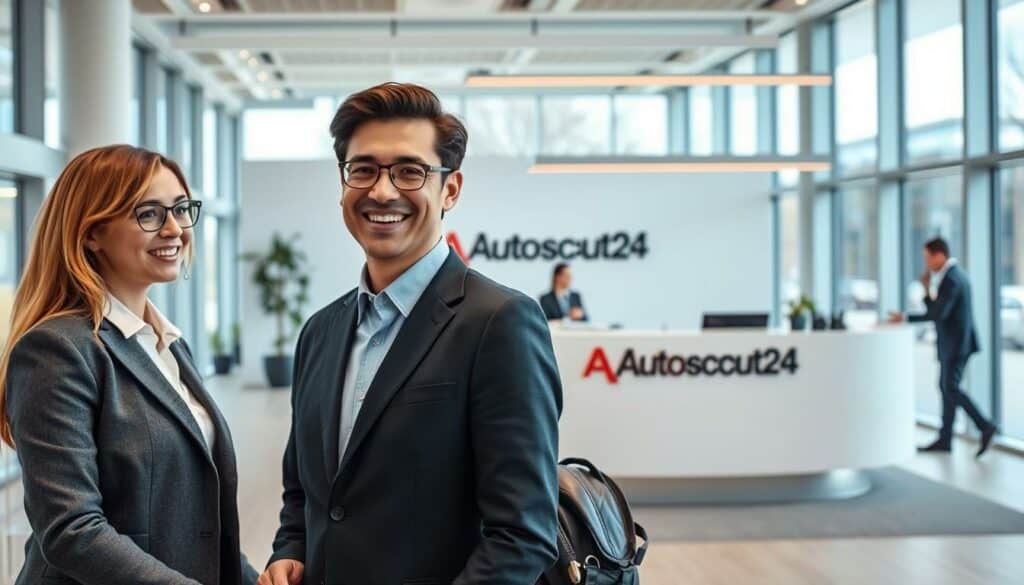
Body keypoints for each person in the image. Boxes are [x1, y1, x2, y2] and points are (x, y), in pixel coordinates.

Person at [260, 83, 562, 585]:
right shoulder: (320, 332)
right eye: (363, 169)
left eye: (409, 171)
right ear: (343, 183)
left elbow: (522, 534)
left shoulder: (499, 323)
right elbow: (305, 496)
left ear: (450, 189)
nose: (382, 191)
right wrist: (290, 549)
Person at [0, 145, 259, 585]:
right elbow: (71, 531)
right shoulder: (56, 350)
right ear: (91, 234)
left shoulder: (167, 345)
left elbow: (191, 516)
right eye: (150, 214)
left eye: (180, 209)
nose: (175, 229)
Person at [889, 236, 998, 457]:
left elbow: (938, 314)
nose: (927, 263)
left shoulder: (952, 279)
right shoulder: (953, 276)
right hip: (954, 344)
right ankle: (945, 438)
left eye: (928, 257)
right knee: (946, 387)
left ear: (940, 255)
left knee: (951, 388)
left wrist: (925, 292)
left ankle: (985, 425)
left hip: (956, 345)